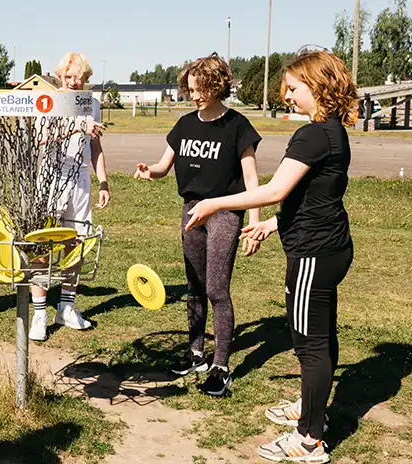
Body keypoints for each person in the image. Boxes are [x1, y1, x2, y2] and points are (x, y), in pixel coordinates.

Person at [183, 50, 357, 462]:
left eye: (294, 88)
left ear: (319, 86)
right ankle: (311, 409)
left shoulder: (313, 135)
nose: (287, 96)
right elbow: (315, 197)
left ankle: (309, 438)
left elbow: (276, 190)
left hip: (314, 253)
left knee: (309, 345)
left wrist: (212, 204)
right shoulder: (332, 131)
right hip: (329, 245)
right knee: (322, 337)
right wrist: (274, 224)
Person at [133, 53, 263, 397]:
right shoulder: (185, 125)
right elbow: (164, 165)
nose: (194, 96)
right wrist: (151, 172)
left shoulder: (238, 126)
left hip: (224, 212)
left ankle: (221, 366)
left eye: (200, 89)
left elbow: (252, 180)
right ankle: (196, 354)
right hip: (191, 213)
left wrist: (254, 222)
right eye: (190, 90)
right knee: (194, 286)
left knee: (216, 289)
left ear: (216, 86)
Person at [28, 51, 110, 342]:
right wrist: (74, 126)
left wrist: (103, 181)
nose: (75, 82)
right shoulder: (49, 101)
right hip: (51, 179)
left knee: (76, 244)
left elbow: (96, 146)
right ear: (60, 76)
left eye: (80, 77)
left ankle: (67, 306)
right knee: (43, 244)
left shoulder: (92, 104)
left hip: (80, 181)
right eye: (69, 76)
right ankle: (39, 313)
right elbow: (39, 138)